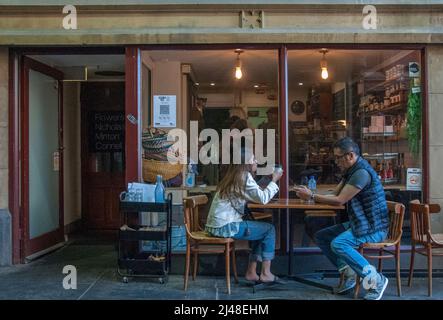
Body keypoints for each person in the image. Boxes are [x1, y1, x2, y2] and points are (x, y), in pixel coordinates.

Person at [294, 137, 390, 300]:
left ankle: (376, 281)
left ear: (350, 155)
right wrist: (311, 195)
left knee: (338, 244)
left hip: (374, 228)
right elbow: (335, 194)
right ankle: (350, 274)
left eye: (339, 157)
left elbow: (340, 200)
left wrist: (311, 195)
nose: (336, 161)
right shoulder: (350, 172)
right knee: (322, 236)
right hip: (360, 223)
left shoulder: (361, 173)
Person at [205, 147, 284, 284]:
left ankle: (252, 272)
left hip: (215, 226)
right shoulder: (244, 176)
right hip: (226, 227)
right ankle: (266, 273)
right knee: (269, 229)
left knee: (261, 231)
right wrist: (274, 180)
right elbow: (263, 198)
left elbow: (252, 193)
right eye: (253, 159)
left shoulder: (233, 176)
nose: (256, 161)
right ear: (246, 162)